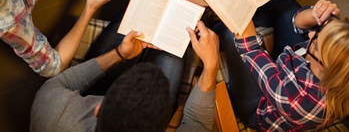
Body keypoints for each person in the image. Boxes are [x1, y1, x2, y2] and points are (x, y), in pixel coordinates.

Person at [211, 0, 349, 131]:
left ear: (325, 69)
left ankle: (214, 24)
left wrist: (239, 16)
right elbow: (300, 23)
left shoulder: (296, 100)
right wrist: (315, 15)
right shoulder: (333, 64)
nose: (310, 36)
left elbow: (250, 49)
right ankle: (255, 17)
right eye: (321, 31)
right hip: (287, 69)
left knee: (231, 34)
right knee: (288, 6)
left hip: (261, 105)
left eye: (315, 43)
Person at [29, 20, 220, 132]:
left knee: (133, 24)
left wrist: (120, 54)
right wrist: (211, 65)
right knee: (175, 32)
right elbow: (198, 122)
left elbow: (64, 81)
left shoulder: (50, 116)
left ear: (98, 109)